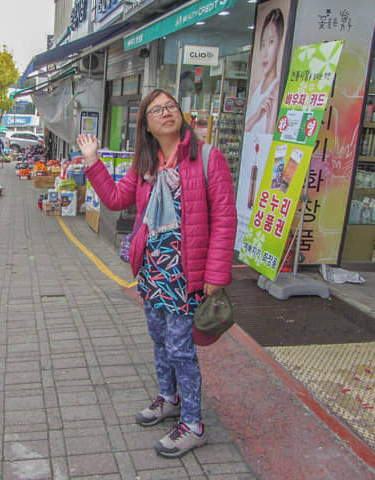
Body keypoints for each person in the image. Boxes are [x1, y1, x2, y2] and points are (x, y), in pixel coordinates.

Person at [76, 89, 237, 459]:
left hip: (187, 274)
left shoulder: (209, 159)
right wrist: (93, 161)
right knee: (159, 338)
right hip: (152, 272)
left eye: (171, 107)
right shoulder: (146, 165)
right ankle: (169, 399)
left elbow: (226, 220)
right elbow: (116, 200)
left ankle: (194, 424)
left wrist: (217, 274)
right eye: (157, 110)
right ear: (146, 124)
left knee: (182, 349)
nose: (166, 113)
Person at [244, 8, 285, 135]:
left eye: (271, 42)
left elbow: (267, 138)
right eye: (263, 44)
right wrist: (256, 116)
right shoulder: (255, 87)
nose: (265, 52)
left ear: (279, 44)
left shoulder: (276, 90)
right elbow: (245, 130)